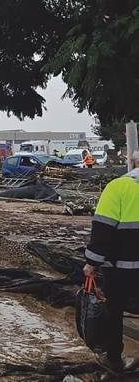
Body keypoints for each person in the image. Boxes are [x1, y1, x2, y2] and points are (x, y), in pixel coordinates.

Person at [83, 151, 139, 374]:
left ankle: (114, 358)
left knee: (114, 310)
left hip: (121, 268)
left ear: (133, 162)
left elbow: (103, 230)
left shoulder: (118, 187)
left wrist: (92, 263)